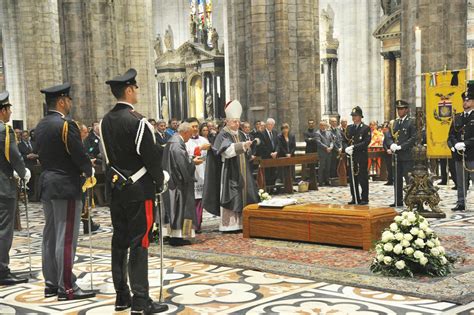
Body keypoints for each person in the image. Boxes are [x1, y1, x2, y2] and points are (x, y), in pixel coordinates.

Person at [101, 69, 167, 313]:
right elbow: (151, 158)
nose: (137, 91)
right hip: (139, 191)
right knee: (140, 243)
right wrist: (161, 180)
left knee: (119, 242)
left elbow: (107, 157)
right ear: (128, 90)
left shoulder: (105, 121)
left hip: (117, 190)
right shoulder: (138, 121)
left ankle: (122, 296)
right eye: (136, 88)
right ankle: (140, 300)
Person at [35, 83, 95, 300]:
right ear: (61, 101)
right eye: (68, 100)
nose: (70, 103)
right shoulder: (65, 125)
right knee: (66, 237)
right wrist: (89, 169)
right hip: (66, 186)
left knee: (50, 236)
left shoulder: (40, 125)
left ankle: (51, 283)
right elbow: (79, 155)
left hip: (47, 184)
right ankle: (67, 287)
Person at [203, 100, 259, 231]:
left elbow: (246, 151)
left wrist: (248, 148)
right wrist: (242, 146)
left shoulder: (240, 134)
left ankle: (242, 223)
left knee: (245, 193)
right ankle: (230, 225)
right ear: (227, 121)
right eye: (234, 121)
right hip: (229, 170)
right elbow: (226, 152)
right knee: (232, 195)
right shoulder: (223, 134)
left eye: (238, 121)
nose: (237, 124)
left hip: (242, 170)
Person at [0, 91, 29, 286]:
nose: (10, 112)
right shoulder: (5, 130)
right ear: (2, 110)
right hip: (3, 187)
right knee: (4, 231)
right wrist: (23, 171)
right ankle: (2, 270)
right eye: (9, 108)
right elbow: (14, 155)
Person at [162, 122, 198, 245]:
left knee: (172, 208)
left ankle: (172, 235)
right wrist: (193, 163)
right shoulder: (177, 144)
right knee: (178, 208)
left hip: (171, 181)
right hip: (177, 183)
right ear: (186, 132)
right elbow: (182, 165)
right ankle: (177, 238)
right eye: (190, 134)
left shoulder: (173, 141)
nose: (190, 137)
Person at [448, 83, 474, 211]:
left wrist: (465, 144)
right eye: (464, 100)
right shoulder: (457, 117)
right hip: (459, 154)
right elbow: (451, 135)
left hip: (472, 154)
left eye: (468, 100)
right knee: (460, 181)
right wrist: (453, 146)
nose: (465, 102)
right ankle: (461, 202)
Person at [386, 100, 416, 207]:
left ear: (406, 110)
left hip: (407, 155)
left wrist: (401, 146)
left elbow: (413, 138)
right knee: (397, 179)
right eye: (398, 109)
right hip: (396, 156)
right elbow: (388, 136)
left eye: (402, 109)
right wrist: (391, 145)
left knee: (409, 180)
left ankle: (411, 200)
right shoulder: (395, 122)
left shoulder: (411, 122)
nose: (400, 111)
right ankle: (397, 200)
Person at [185, 117, 211, 233]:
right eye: (193, 127)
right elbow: (186, 156)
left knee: (200, 200)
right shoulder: (185, 141)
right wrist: (199, 148)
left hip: (203, 172)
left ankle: (198, 224)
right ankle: (192, 225)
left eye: (196, 126)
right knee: (192, 200)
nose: (195, 129)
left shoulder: (204, 140)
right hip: (191, 173)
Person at [343, 106, 371, 205]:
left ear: (360, 117)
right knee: (352, 178)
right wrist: (346, 148)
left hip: (361, 156)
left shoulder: (365, 128)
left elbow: (366, 142)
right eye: (353, 116)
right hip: (351, 157)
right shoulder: (350, 128)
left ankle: (364, 198)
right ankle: (355, 197)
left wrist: (354, 147)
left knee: (362, 177)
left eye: (356, 116)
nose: (354, 118)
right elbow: (345, 139)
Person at [79, 123, 100, 234]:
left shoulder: (82, 142)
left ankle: (88, 224)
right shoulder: (78, 143)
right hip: (79, 176)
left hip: (83, 175)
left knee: (84, 202)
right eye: (85, 132)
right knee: (82, 202)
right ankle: (88, 224)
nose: (87, 134)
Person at [256, 118, 279, 186]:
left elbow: (278, 144)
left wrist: (276, 152)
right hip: (266, 156)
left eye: (272, 124)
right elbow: (262, 146)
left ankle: (273, 187)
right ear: (266, 125)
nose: (270, 126)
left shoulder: (275, 132)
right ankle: (268, 188)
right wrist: (270, 153)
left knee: (274, 173)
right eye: (269, 124)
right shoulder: (262, 133)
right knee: (267, 173)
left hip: (274, 156)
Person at [315, 120, 334, 186]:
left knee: (328, 167)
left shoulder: (328, 133)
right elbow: (319, 143)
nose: (323, 127)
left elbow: (331, 141)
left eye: (324, 125)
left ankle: (327, 180)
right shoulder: (317, 133)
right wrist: (326, 148)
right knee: (322, 167)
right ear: (320, 126)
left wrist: (331, 147)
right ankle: (320, 182)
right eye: (322, 125)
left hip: (329, 152)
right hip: (322, 153)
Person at [382, 121, 394, 185]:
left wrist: (392, 149)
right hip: (387, 152)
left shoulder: (396, 133)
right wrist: (387, 150)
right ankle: (390, 180)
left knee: (394, 167)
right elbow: (384, 143)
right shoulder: (386, 133)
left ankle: (395, 179)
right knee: (389, 167)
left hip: (394, 151)